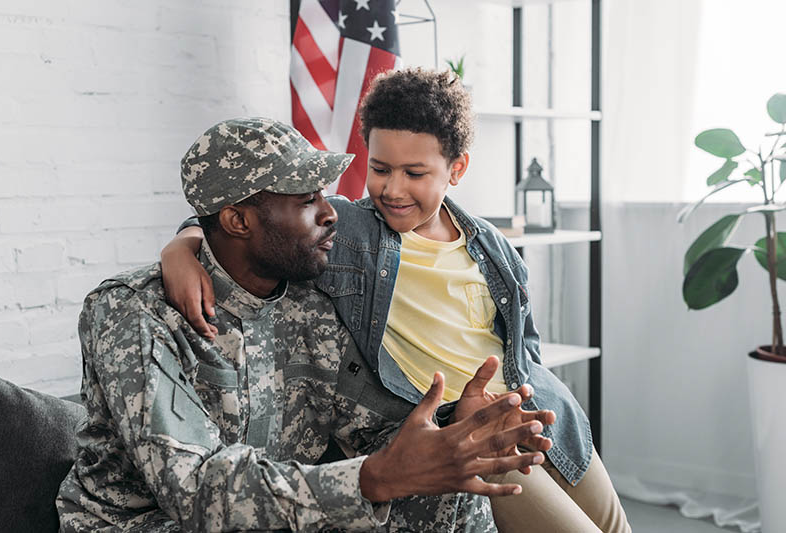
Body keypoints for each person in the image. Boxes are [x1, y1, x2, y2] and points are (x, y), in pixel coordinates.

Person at [162, 69, 631, 533]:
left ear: (457, 169)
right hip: (460, 433)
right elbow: (235, 218)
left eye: (415, 173)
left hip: (543, 411)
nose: (393, 188)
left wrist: (522, 398)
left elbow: (523, 346)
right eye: (381, 168)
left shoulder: (493, 247)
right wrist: (182, 247)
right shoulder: (347, 232)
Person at [56, 117, 556, 533]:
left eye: (324, 195)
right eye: (305, 200)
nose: (330, 213)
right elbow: (195, 489)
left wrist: (452, 425)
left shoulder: (309, 306)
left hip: (276, 512)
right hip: (143, 523)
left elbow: (373, 428)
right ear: (238, 221)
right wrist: (371, 480)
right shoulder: (132, 313)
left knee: (452, 499)